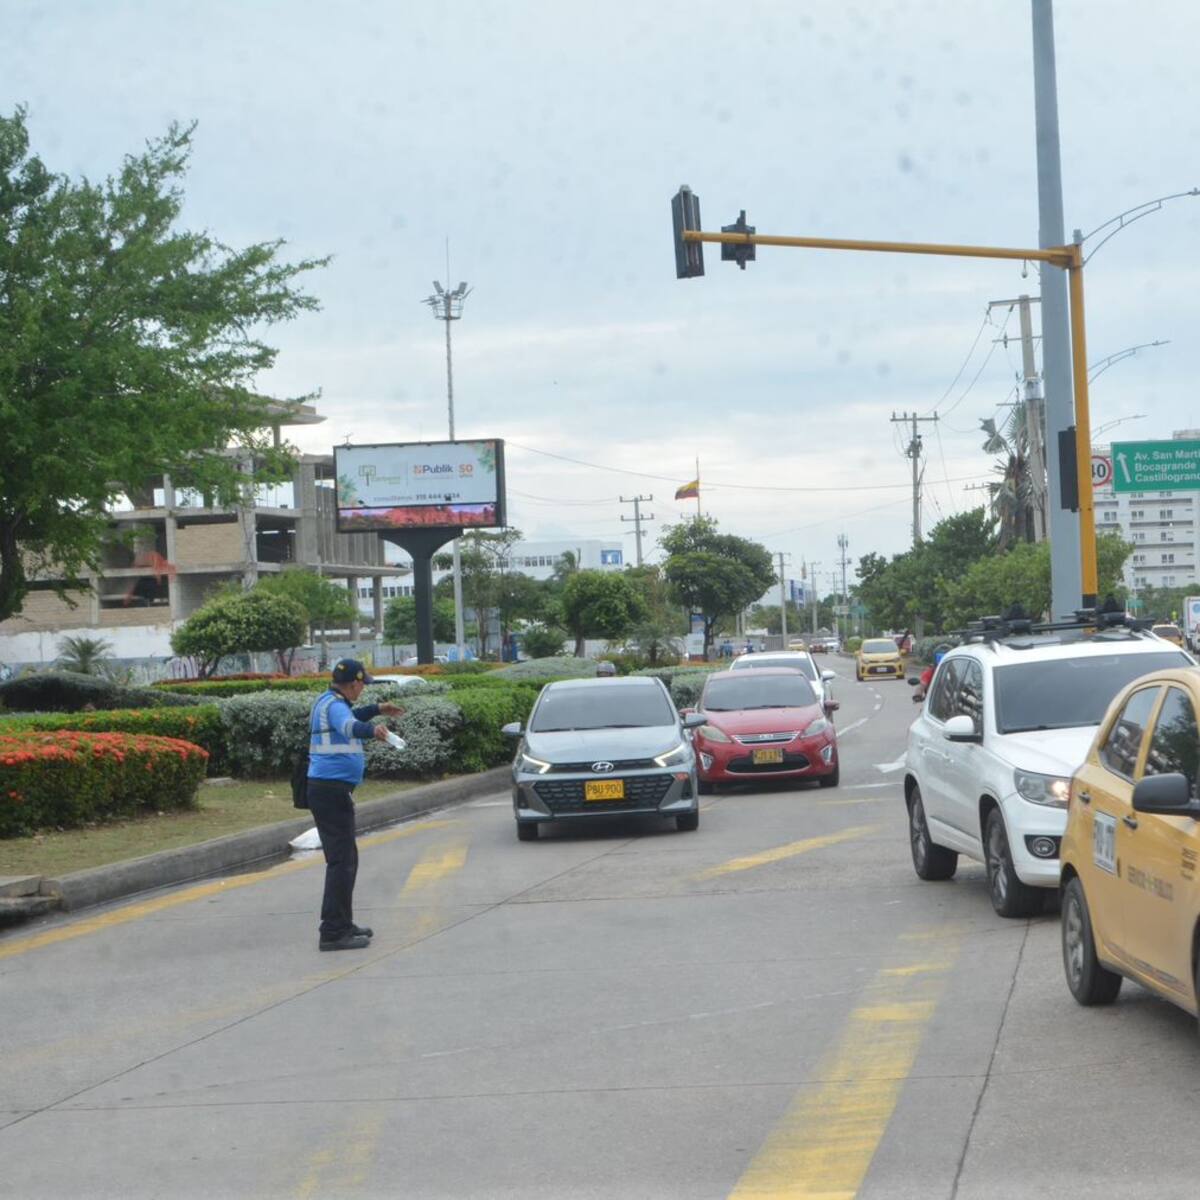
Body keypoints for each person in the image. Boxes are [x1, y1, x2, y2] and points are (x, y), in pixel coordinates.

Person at [306, 659, 405, 951]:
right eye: (363, 685)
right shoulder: (334, 706)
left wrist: (377, 709)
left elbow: (350, 716)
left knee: (347, 858)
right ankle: (333, 932)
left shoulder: (332, 701)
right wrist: (373, 731)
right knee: (341, 862)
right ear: (353, 683)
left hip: (332, 790)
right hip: (330, 791)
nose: (363, 690)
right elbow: (349, 726)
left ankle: (343, 923)